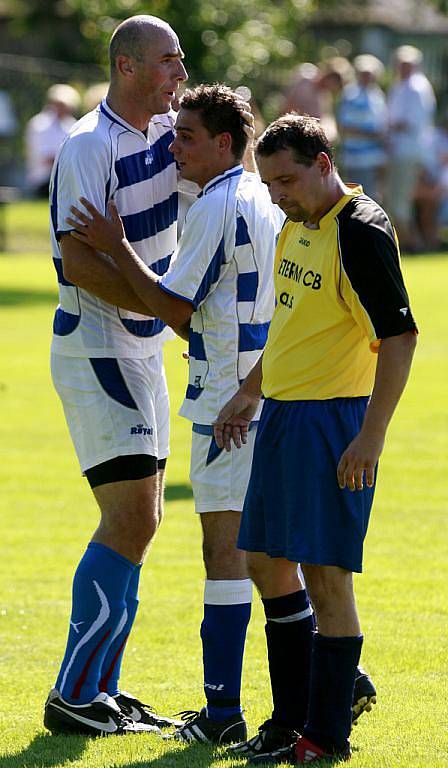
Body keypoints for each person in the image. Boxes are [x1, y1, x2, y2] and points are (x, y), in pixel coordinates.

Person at [64, 82, 284, 745]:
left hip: (227, 404)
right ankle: (319, 684)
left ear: (225, 143)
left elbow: (175, 309)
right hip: (263, 392)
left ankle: (221, 717)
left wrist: (113, 241)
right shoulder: (259, 198)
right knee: (269, 554)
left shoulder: (218, 205)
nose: (172, 144)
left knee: (225, 556)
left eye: (186, 136)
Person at [213, 114, 417, 764]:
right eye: (269, 183)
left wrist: (371, 436)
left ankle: (325, 735)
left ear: (324, 162)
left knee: (327, 580)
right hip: (283, 417)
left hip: (334, 422)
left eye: (288, 180)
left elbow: (400, 337)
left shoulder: (359, 231)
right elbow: (293, 326)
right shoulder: (296, 227)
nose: (277, 195)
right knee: (266, 564)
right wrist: (250, 390)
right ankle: (297, 713)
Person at [44, 14, 188, 736]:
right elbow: (78, 260)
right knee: (129, 517)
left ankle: (102, 687)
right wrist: (166, 307)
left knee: (145, 520)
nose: (180, 75)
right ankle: (74, 694)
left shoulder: (169, 135)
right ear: (127, 67)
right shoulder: (86, 146)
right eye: (169, 62)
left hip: (143, 347)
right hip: (98, 348)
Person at [385, 44, 436, 252]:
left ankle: (412, 245)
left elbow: (412, 122)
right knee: (396, 201)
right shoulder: (402, 86)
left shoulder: (416, 88)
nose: (402, 67)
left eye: (407, 64)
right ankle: (408, 243)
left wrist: (386, 127)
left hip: (407, 152)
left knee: (399, 202)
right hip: (399, 151)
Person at [337, 54, 387, 201]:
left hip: (375, 157)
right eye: (364, 74)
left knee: (373, 197)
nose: (368, 77)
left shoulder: (377, 94)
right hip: (357, 157)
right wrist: (372, 135)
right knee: (360, 199)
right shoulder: (351, 94)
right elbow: (345, 127)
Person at [25, 84, 80, 198]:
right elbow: (46, 158)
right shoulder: (39, 124)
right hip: (44, 180)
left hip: (66, 178)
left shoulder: (71, 123)